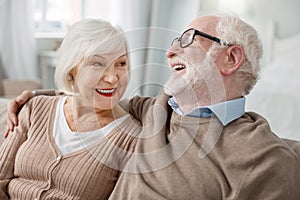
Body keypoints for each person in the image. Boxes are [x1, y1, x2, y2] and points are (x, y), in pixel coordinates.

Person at [5, 14, 300, 199]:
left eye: (188, 41)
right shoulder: (154, 110)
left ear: (230, 59)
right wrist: (34, 97)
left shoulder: (264, 158)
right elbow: (87, 98)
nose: (170, 52)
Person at [0, 18, 141, 200]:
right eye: (97, 64)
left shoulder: (132, 139)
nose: (113, 78)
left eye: (121, 64)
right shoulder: (35, 108)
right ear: (71, 69)